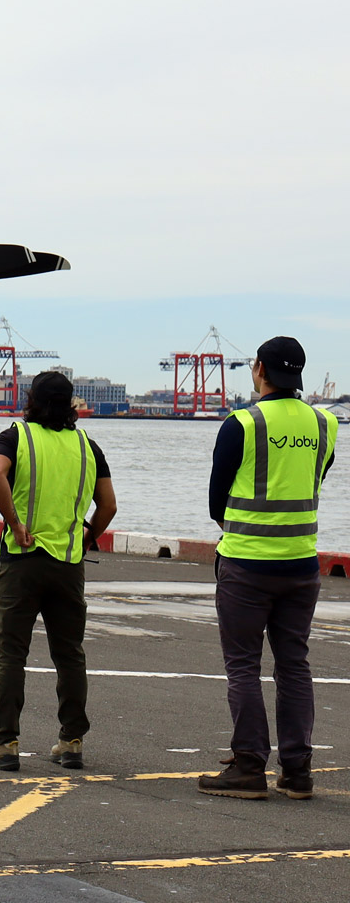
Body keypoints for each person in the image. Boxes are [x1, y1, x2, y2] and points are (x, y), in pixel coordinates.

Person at [198, 336, 338, 800]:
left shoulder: (242, 423)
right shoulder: (326, 423)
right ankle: (297, 770)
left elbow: (217, 499)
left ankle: (249, 766)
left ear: (258, 369)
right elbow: (316, 476)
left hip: (246, 564)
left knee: (243, 666)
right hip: (302, 563)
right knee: (294, 664)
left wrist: (240, 527)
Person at [0, 370, 117, 771]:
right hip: (68, 567)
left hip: (23, 560)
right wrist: (87, 538)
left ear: (30, 399)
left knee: (12, 655)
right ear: (72, 405)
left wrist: (15, 524)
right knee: (69, 655)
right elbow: (108, 506)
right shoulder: (89, 446)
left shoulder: (15, 436)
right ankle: (71, 742)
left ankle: (5, 744)